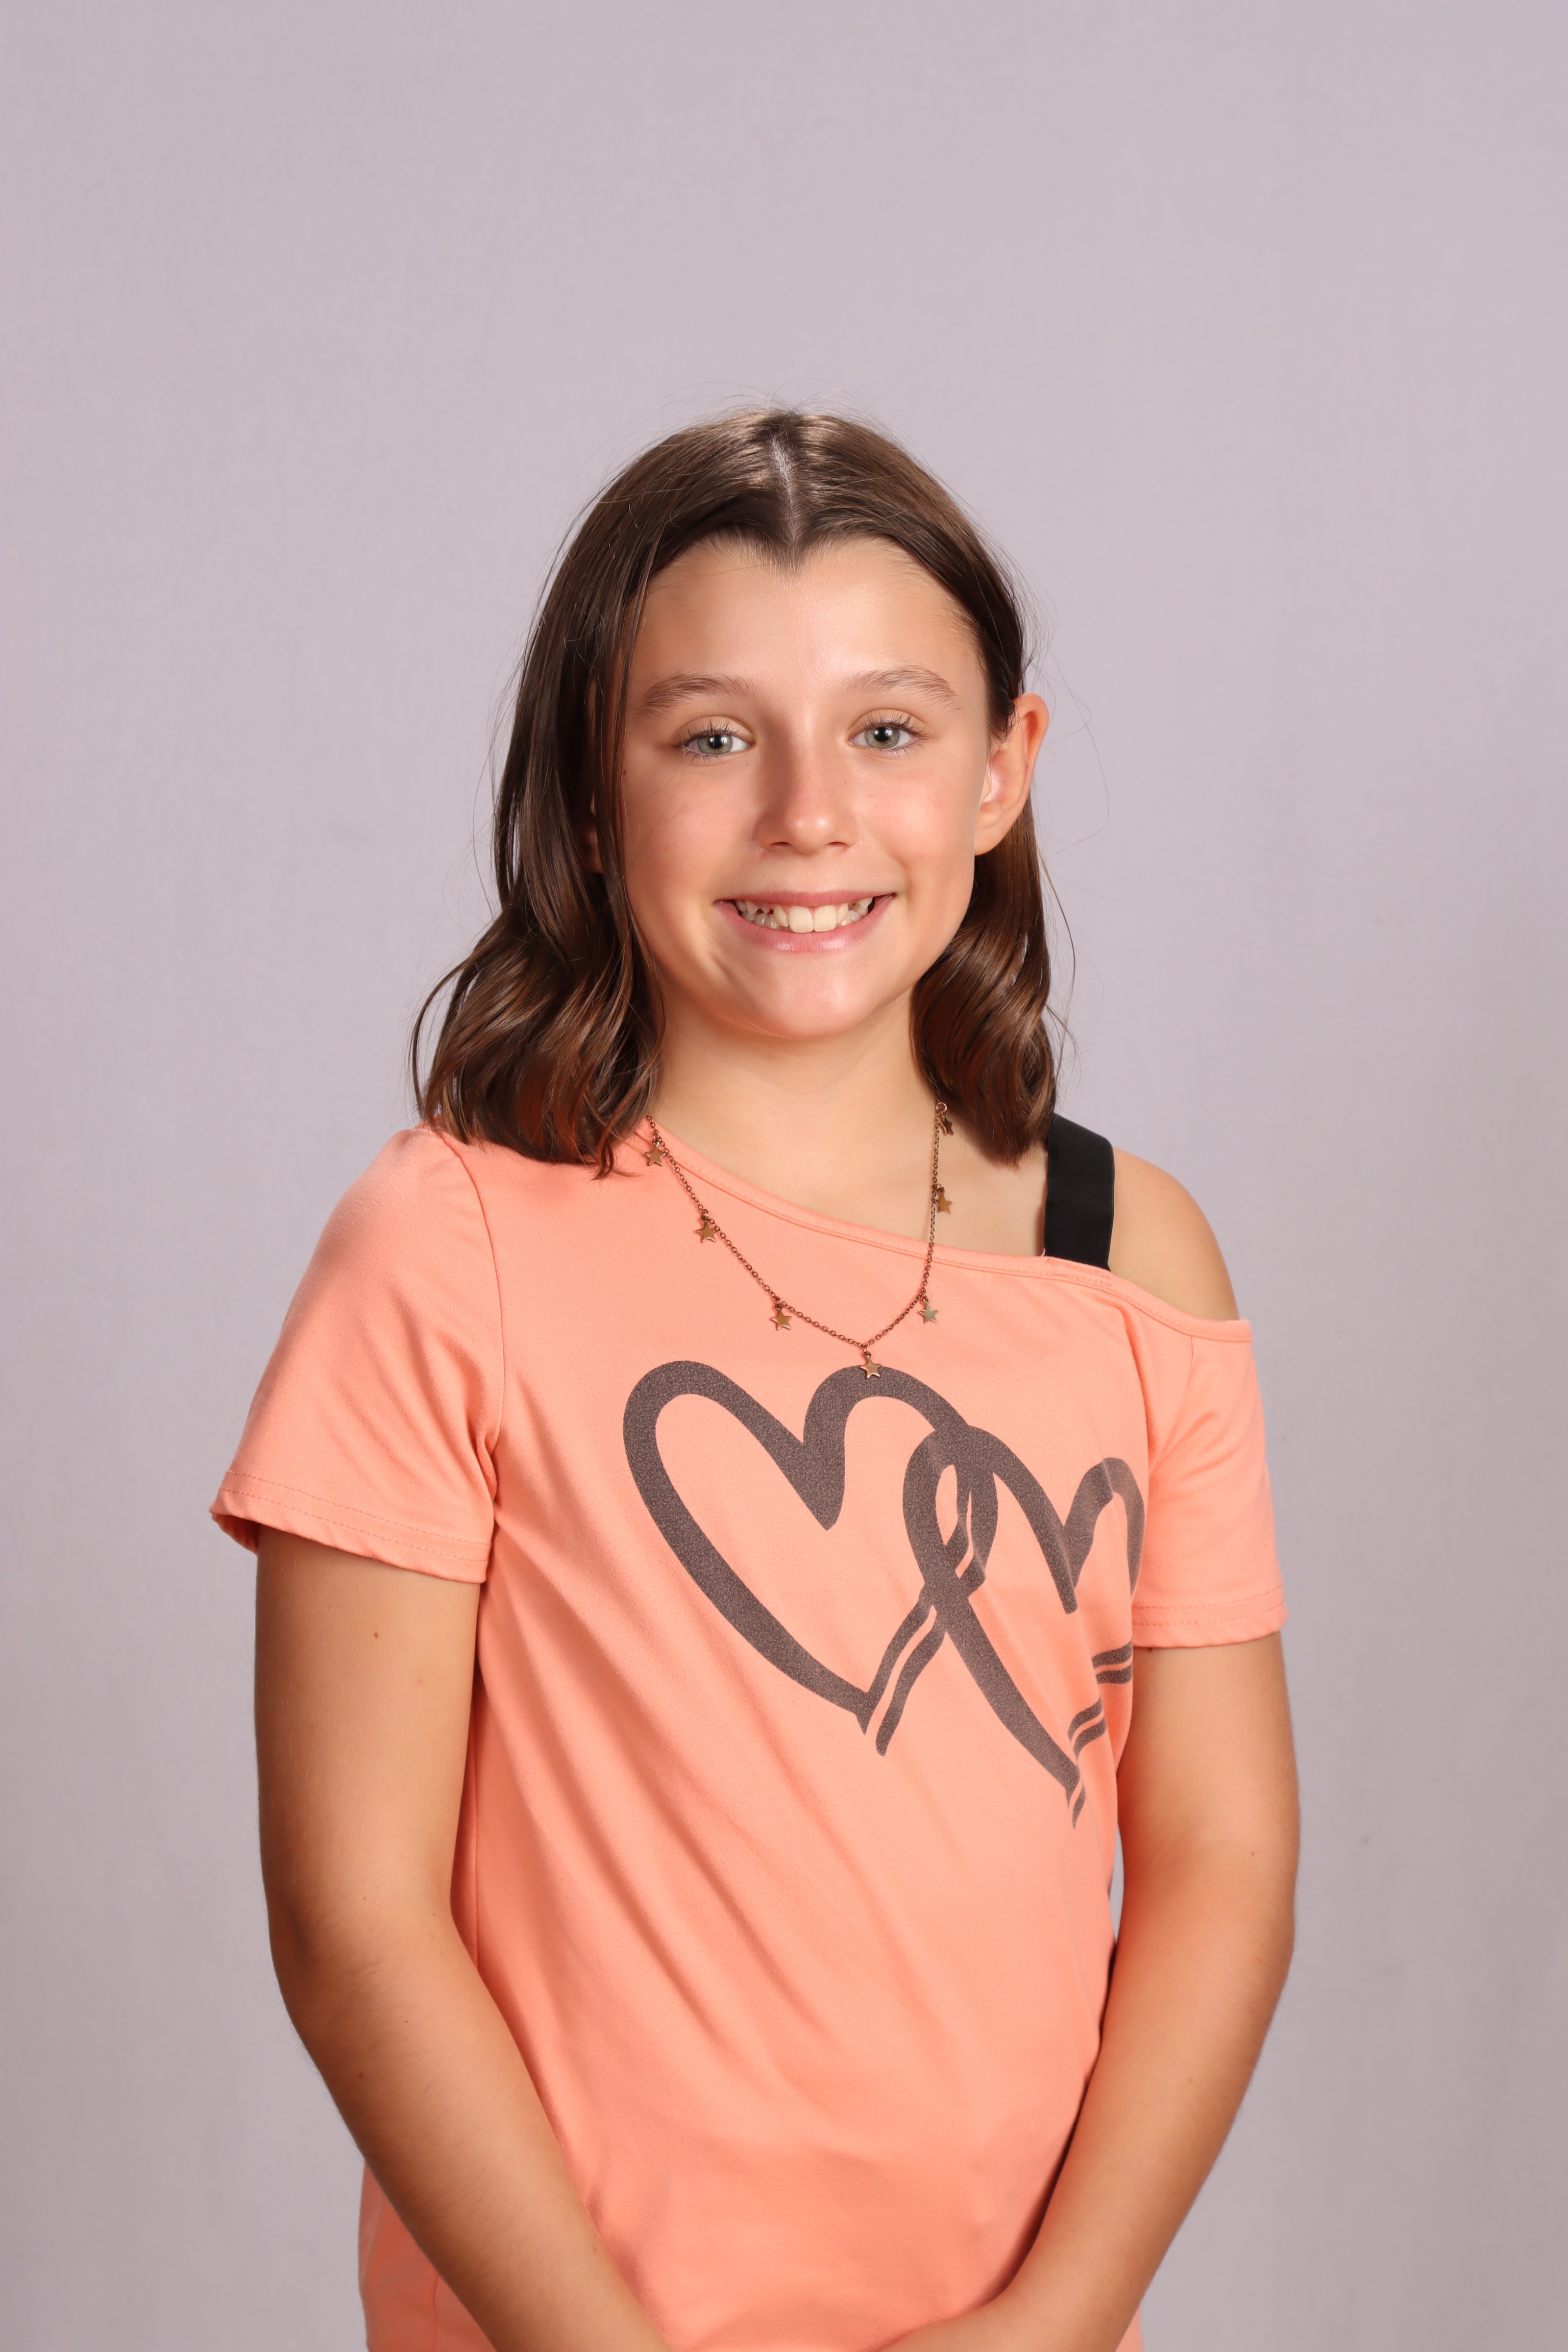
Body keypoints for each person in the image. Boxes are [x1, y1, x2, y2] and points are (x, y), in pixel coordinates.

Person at [213, 408, 1298, 2352]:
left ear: (1000, 769)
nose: (808, 813)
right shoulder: (448, 1249)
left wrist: (1064, 2318)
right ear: (592, 784)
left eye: (885, 730)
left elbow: (1220, 1856)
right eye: (713, 738)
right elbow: (352, 1917)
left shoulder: (1127, 1257)